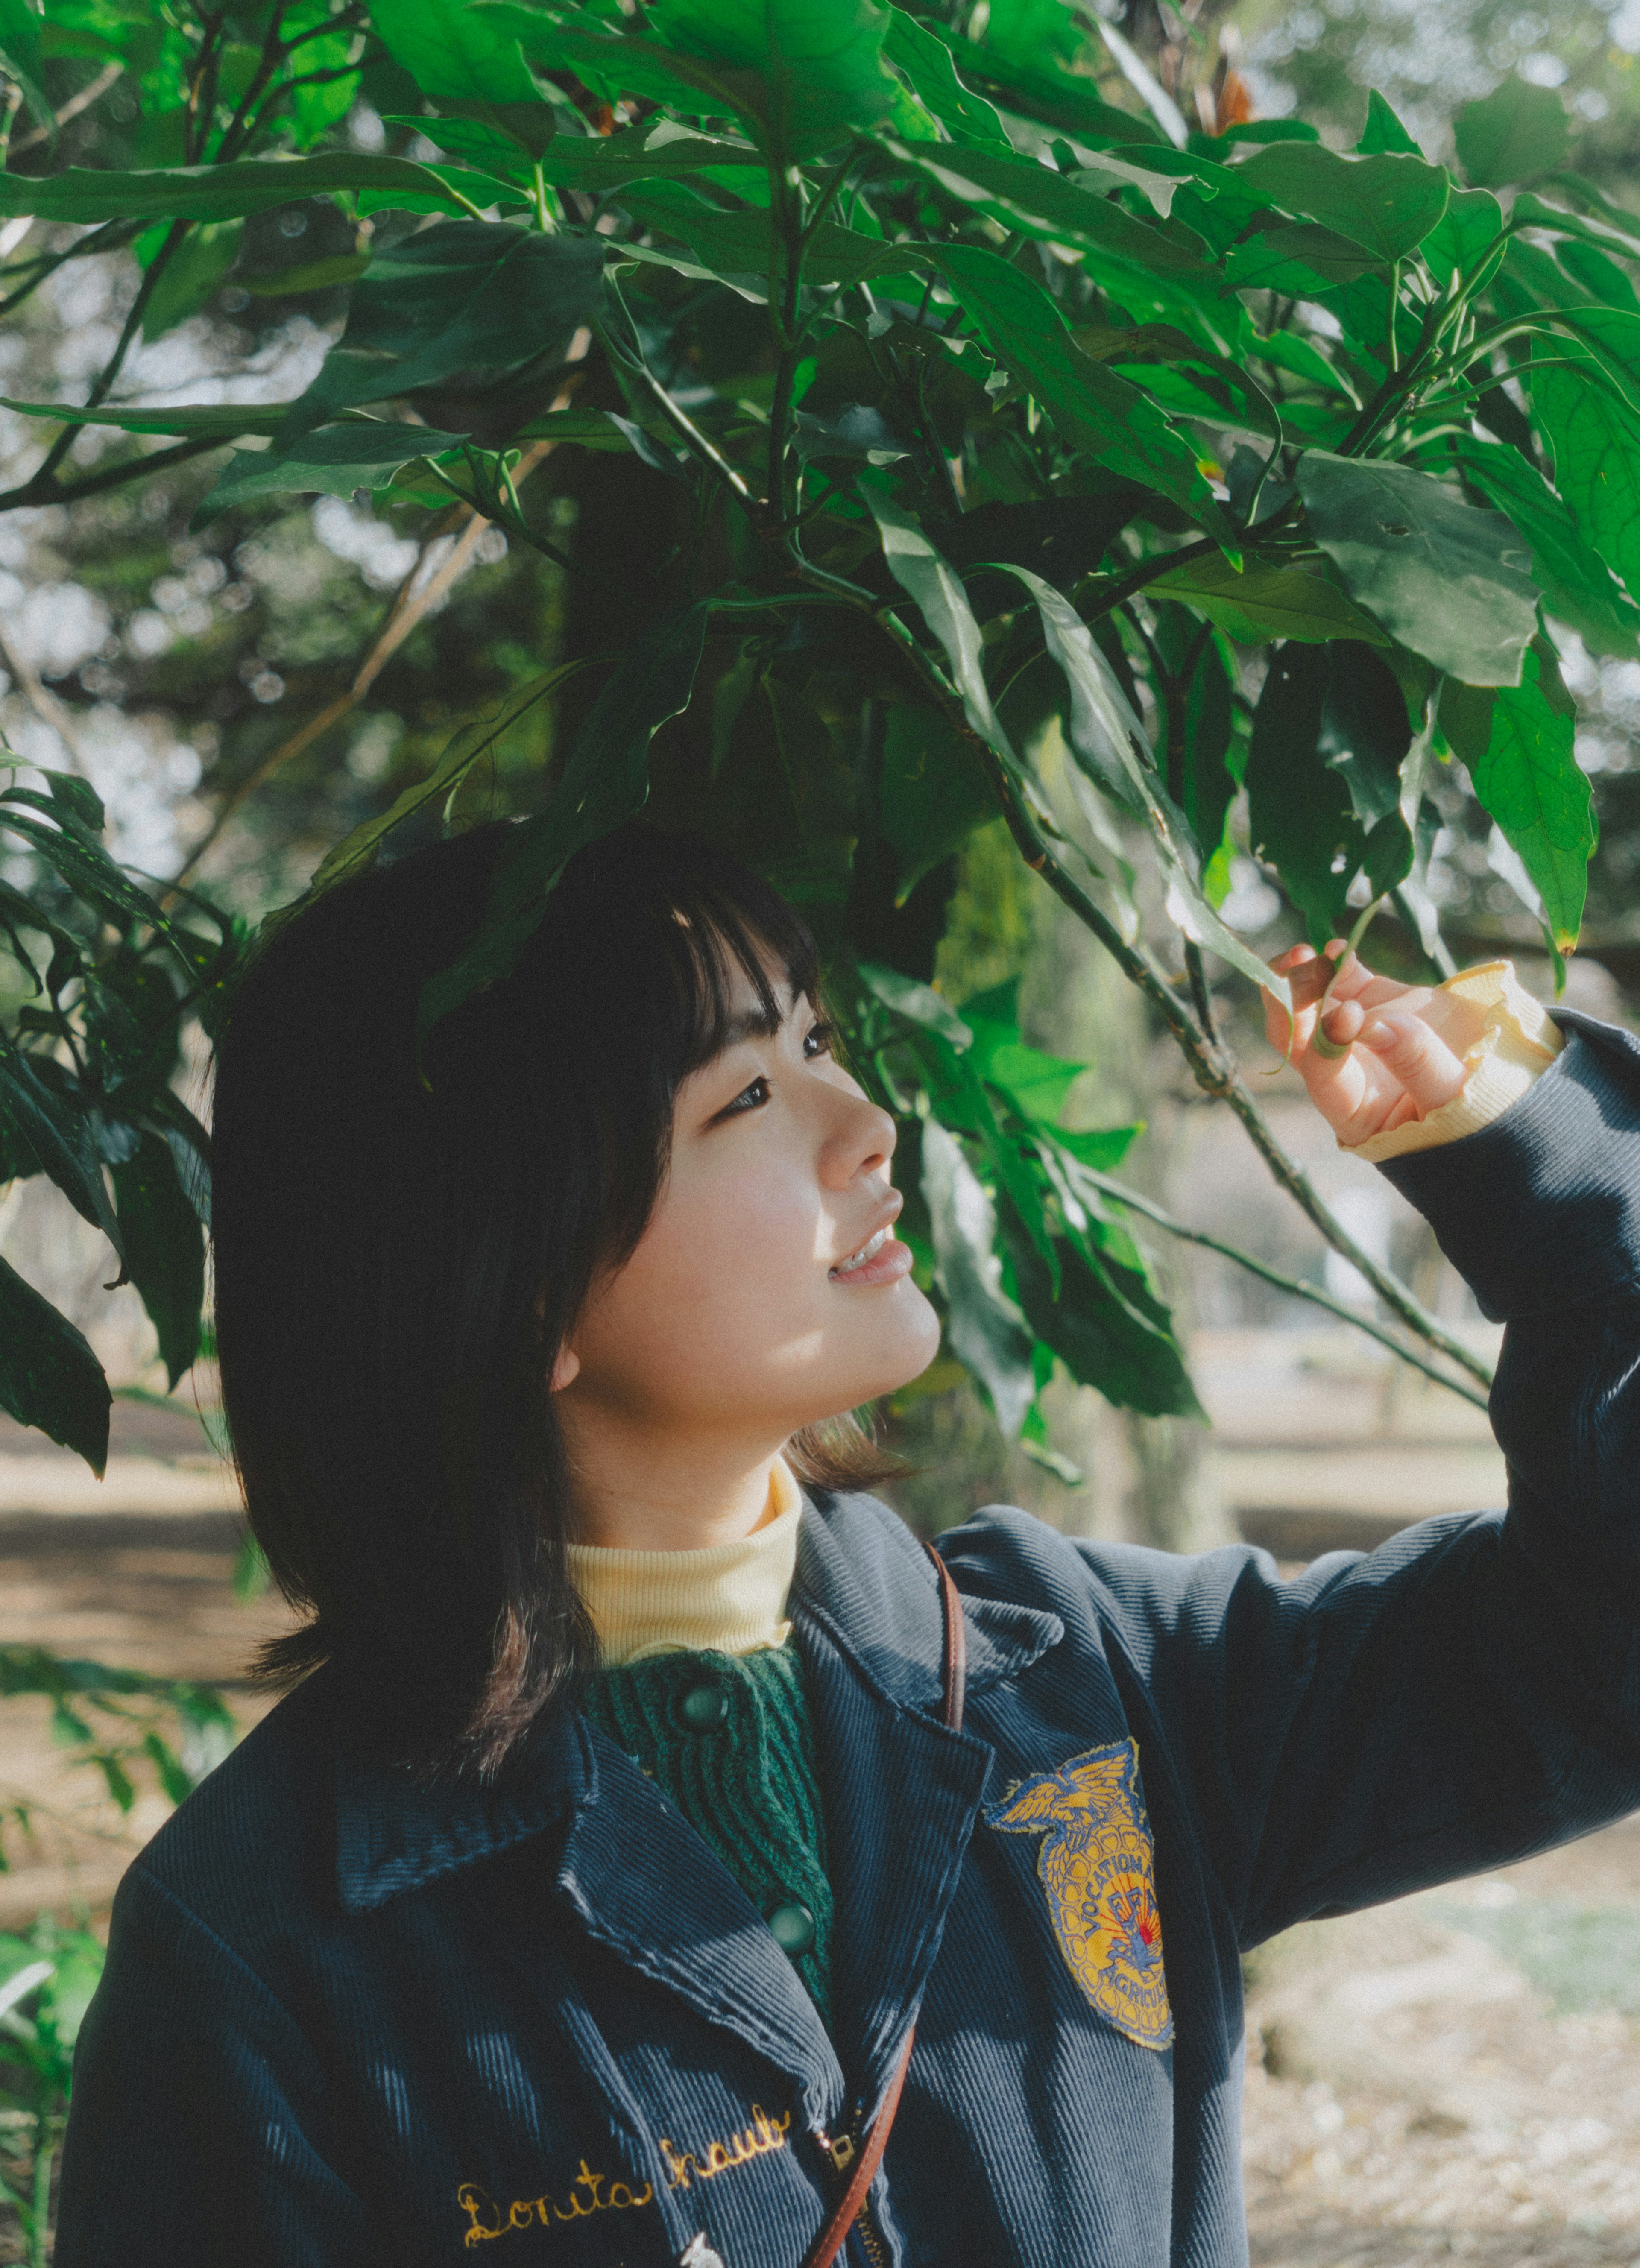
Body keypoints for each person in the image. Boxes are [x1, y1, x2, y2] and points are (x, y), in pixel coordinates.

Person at [55, 819, 1640, 2268]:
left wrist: (1528, 1148)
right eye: (746, 1093)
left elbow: (1601, 1650)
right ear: (511, 1282)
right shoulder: (270, 1940)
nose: (869, 1122)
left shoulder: (1103, 1687)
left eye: (817, 1039)